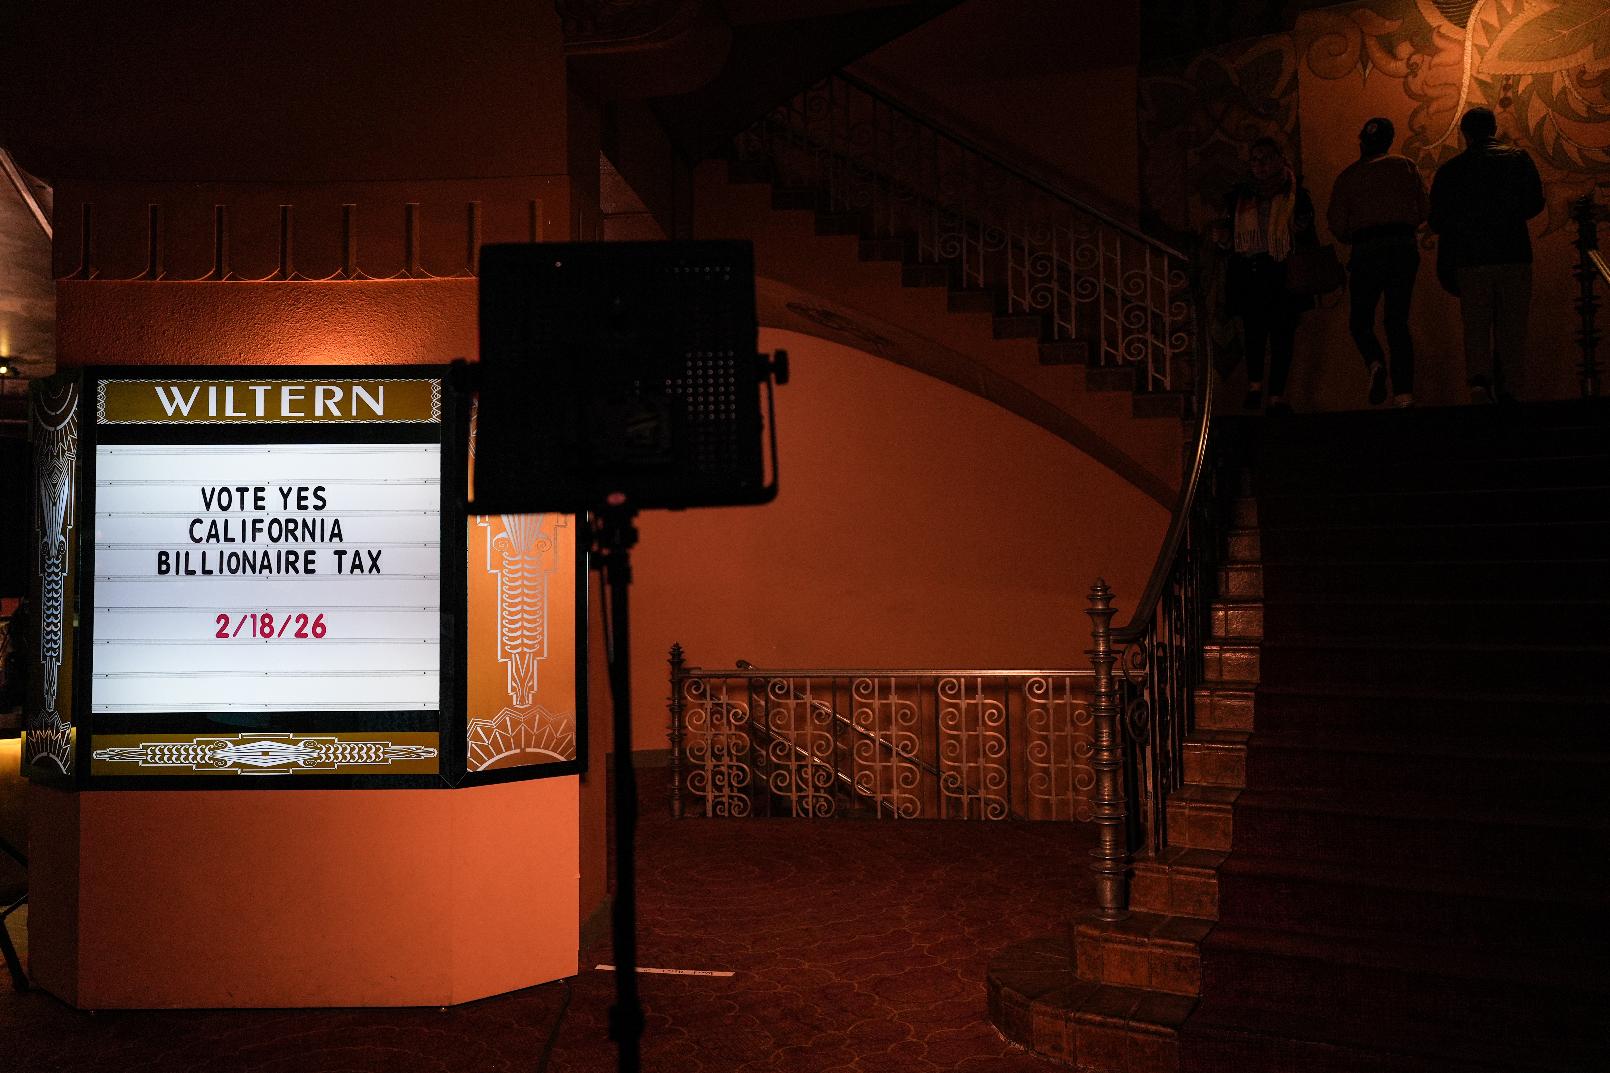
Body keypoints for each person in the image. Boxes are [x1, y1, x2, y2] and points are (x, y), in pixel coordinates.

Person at [1428, 106, 1546, 403]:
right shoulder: (1518, 159)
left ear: (1464, 134)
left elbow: (1438, 220)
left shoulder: (1451, 170)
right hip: (1513, 252)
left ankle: (1479, 381)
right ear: (1494, 129)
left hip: (1471, 258)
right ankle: (1510, 387)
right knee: (1512, 324)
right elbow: (1534, 204)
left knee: (1476, 322)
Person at [1328, 117, 1427, 408]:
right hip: (1402, 248)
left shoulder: (1349, 176)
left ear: (1362, 140)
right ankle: (1404, 394)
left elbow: (1338, 224)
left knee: (1361, 321)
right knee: (1397, 321)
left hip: (1367, 251)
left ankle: (1374, 362)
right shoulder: (1406, 166)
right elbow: (1423, 209)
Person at [1224, 137, 1318, 414]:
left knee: (1282, 336)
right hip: (1252, 270)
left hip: (1282, 269)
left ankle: (1277, 395)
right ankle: (1254, 387)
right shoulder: (1240, 196)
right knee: (1254, 333)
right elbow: (1230, 235)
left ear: (1279, 159)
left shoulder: (1295, 193)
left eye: (1266, 158)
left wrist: (1300, 229)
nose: (1261, 165)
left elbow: (1307, 235)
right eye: (1255, 159)